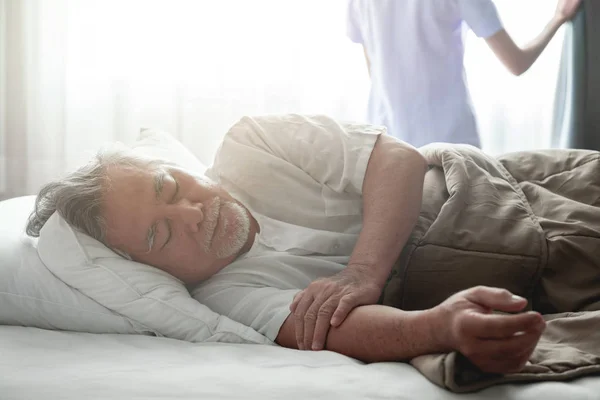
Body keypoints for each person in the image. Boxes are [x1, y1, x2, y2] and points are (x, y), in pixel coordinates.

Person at [26, 114, 600, 375]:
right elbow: (335, 330)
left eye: (170, 187)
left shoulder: (254, 144)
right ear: (149, 269)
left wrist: (361, 273)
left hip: (494, 187)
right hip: (479, 256)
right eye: (160, 233)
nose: (190, 212)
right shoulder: (228, 296)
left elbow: (397, 158)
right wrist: (441, 328)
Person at [345, 0, 582, 147]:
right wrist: (558, 18)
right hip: (448, 139)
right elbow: (516, 62)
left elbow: (374, 71)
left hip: (385, 137)